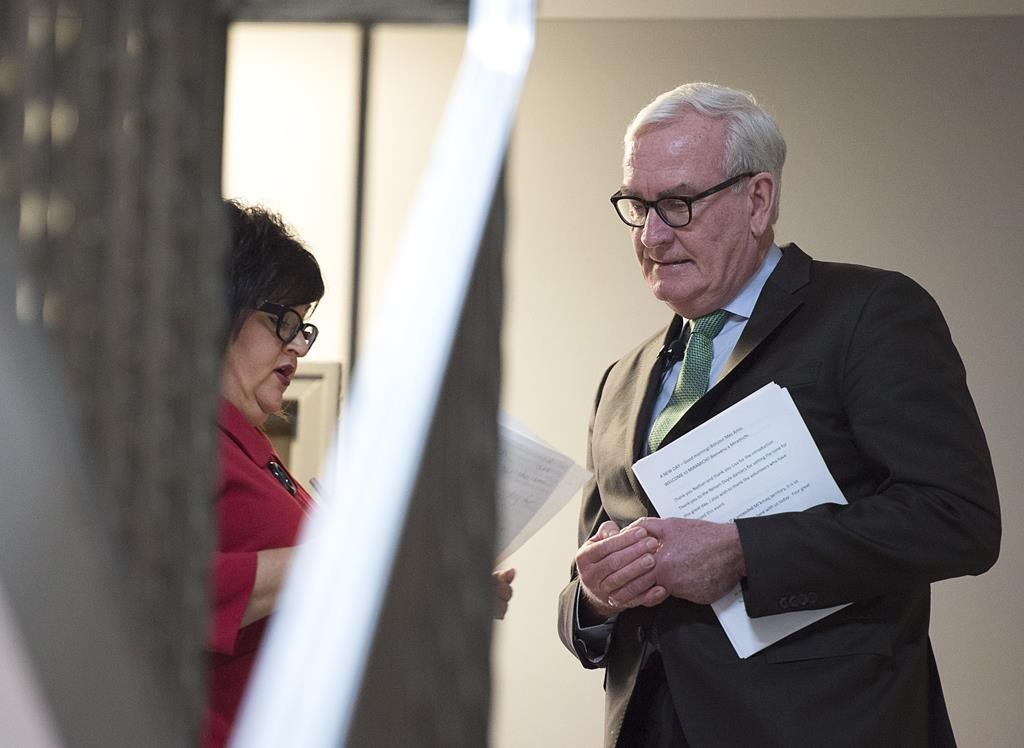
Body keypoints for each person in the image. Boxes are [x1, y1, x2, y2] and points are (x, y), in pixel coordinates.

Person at [556, 82, 1000, 747]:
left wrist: (742, 553)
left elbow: (957, 520)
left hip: (826, 725)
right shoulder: (620, 379)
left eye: (677, 204)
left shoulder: (869, 313)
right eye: (636, 205)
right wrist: (594, 598)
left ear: (757, 199)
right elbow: (586, 584)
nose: (650, 234)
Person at [204, 200, 325, 747]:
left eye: (305, 328)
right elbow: (160, 587)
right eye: (284, 322)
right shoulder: (186, 443)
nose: (298, 346)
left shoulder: (259, 453)